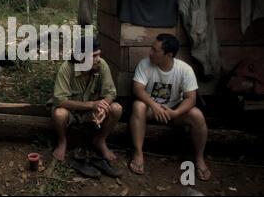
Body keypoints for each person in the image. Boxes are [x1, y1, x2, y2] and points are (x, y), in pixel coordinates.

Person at [129, 33, 211, 181]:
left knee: (197, 115)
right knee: (138, 106)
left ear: (169, 55)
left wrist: (176, 112)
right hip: (151, 110)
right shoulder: (145, 64)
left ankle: (199, 158)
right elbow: (138, 89)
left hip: (174, 111)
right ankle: (138, 153)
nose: (150, 53)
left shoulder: (184, 69)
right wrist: (153, 105)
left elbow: (191, 99)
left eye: (155, 50)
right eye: (151, 48)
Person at [52, 36, 123, 162]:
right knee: (59, 114)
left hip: (92, 113)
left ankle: (100, 141)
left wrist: (102, 107)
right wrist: (92, 105)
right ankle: (62, 142)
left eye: (99, 55)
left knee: (116, 108)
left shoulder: (102, 65)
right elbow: (60, 100)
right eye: (94, 56)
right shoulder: (66, 68)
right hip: (71, 112)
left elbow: (110, 93)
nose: (98, 59)